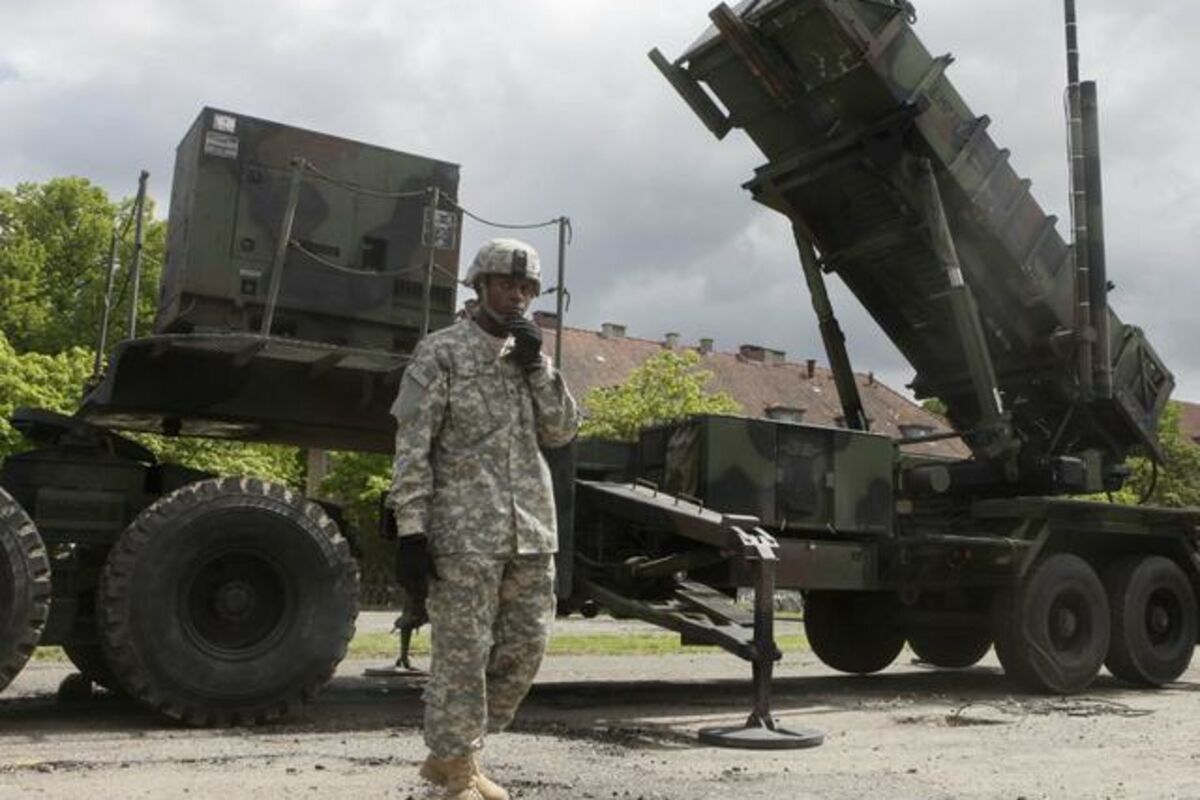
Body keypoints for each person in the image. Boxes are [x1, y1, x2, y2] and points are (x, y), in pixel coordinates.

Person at [387, 237, 579, 800]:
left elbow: (562, 431)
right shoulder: (440, 352)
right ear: (480, 285)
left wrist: (537, 365)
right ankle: (458, 769)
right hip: (463, 534)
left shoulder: (532, 359)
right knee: (462, 656)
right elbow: (412, 445)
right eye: (505, 284)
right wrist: (411, 529)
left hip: (531, 531)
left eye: (525, 288)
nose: (516, 296)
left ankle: (453, 753)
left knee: (524, 649)